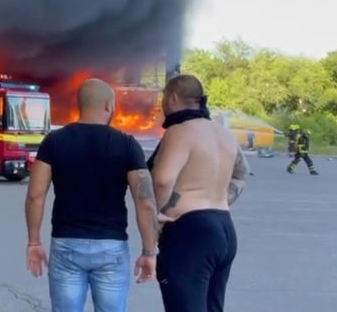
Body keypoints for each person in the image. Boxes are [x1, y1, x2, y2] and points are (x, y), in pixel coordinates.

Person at [24, 78, 159, 312]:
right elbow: (145, 201)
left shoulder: (54, 141)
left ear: (80, 105)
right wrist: (149, 251)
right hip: (111, 247)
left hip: (66, 244)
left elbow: (36, 195)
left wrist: (34, 242)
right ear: (108, 105)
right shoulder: (126, 144)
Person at [148, 74, 248, 312]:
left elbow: (161, 180)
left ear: (172, 98)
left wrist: (156, 216)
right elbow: (242, 174)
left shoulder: (179, 131)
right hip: (223, 227)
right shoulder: (224, 133)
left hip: (190, 232)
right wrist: (217, 203)